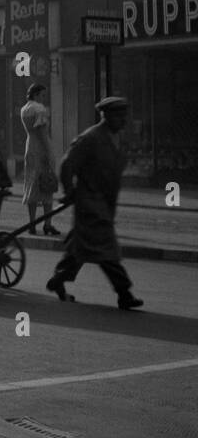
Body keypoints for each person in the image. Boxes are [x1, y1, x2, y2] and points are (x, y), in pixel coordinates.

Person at [46, 96, 143, 310]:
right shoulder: (90, 138)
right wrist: (69, 191)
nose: (123, 120)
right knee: (107, 248)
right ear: (106, 115)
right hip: (91, 203)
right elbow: (67, 164)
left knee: (81, 246)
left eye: (124, 115)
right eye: (119, 116)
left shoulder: (115, 138)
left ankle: (59, 279)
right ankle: (124, 293)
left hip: (105, 202)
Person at [20, 82, 59, 236]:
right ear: (36, 95)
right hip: (41, 148)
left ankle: (32, 224)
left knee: (32, 184)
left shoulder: (25, 109)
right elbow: (42, 134)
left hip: (30, 147)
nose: (44, 98)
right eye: (42, 95)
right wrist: (49, 154)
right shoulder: (39, 109)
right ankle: (47, 224)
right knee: (46, 185)